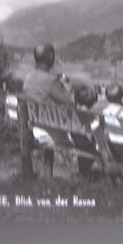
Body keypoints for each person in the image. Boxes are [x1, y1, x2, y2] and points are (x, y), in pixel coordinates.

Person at [22, 43, 73, 175]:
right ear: (50, 57)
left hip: (34, 129)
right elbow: (71, 102)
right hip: (51, 134)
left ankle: (47, 174)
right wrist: (66, 84)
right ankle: (84, 174)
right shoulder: (52, 80)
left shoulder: (28, 78)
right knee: (84, 136)